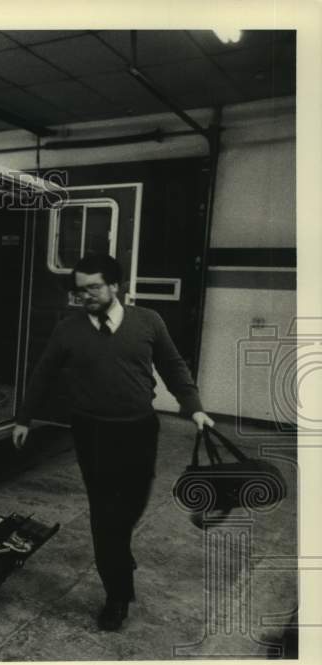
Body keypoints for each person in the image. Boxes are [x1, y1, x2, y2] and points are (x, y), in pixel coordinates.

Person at [12, 253, 214, 631]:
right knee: (105, 514)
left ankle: (118, 553)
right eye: (80, 289)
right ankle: (117, 595)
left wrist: (195, 408)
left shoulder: (148, 322)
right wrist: (24, 417)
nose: (85, 295)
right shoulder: (67, 329)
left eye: (93, 287)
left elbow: (173, 366)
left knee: (130, 507)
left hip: (139, 430)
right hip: (92, 433)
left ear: (116, 287)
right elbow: (42, 374)